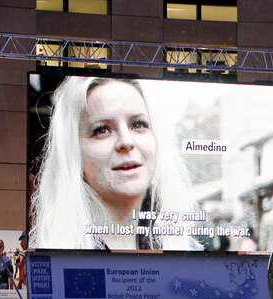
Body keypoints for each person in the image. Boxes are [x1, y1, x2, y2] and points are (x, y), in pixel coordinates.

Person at [30, 76, 201, 251]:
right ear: (73, 152)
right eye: (102, 130)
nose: (126, 142)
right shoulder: (46, 251)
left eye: (139, 124)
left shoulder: (190, 250)